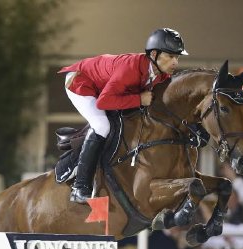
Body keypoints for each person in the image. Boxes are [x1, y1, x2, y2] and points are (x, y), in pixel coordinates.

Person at [59, 28, 188, 203]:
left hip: (104, 87)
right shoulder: (131, 68)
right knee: (102, 125)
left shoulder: (161, 75)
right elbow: (103, 102)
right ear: (155, 54)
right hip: (81, 82)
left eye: (177, 57)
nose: (175, 62)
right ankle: (80, 187)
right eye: (171, 56)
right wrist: (138, 99)